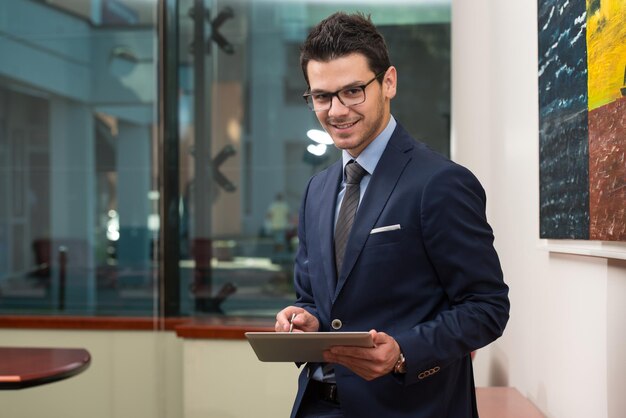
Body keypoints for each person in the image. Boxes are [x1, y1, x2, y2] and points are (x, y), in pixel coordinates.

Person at [274, 12, 509, 418]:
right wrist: (305, 320)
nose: (336, 110)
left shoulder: (440, 182)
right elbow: (314, 299)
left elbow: (486, 307)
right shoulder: (317, 190)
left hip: (411, 407)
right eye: (322, 96)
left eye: (352, 91)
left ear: (388, 83)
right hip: (317, 407)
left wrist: (403, 352)